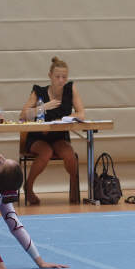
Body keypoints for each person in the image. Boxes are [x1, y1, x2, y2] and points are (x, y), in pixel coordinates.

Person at [19, 56, 85, 205]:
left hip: (59, 136)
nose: (61, 80)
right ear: (50, 76)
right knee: (46, 152)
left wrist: (66, 118)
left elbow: (81, 113)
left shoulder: (70, 89)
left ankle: (74, 185)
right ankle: (28, 186)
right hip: (38, 137)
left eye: (64, 77)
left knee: (69, 154)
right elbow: (23, 115)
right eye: (57, 77)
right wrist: (43, 107)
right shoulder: (39, 91)